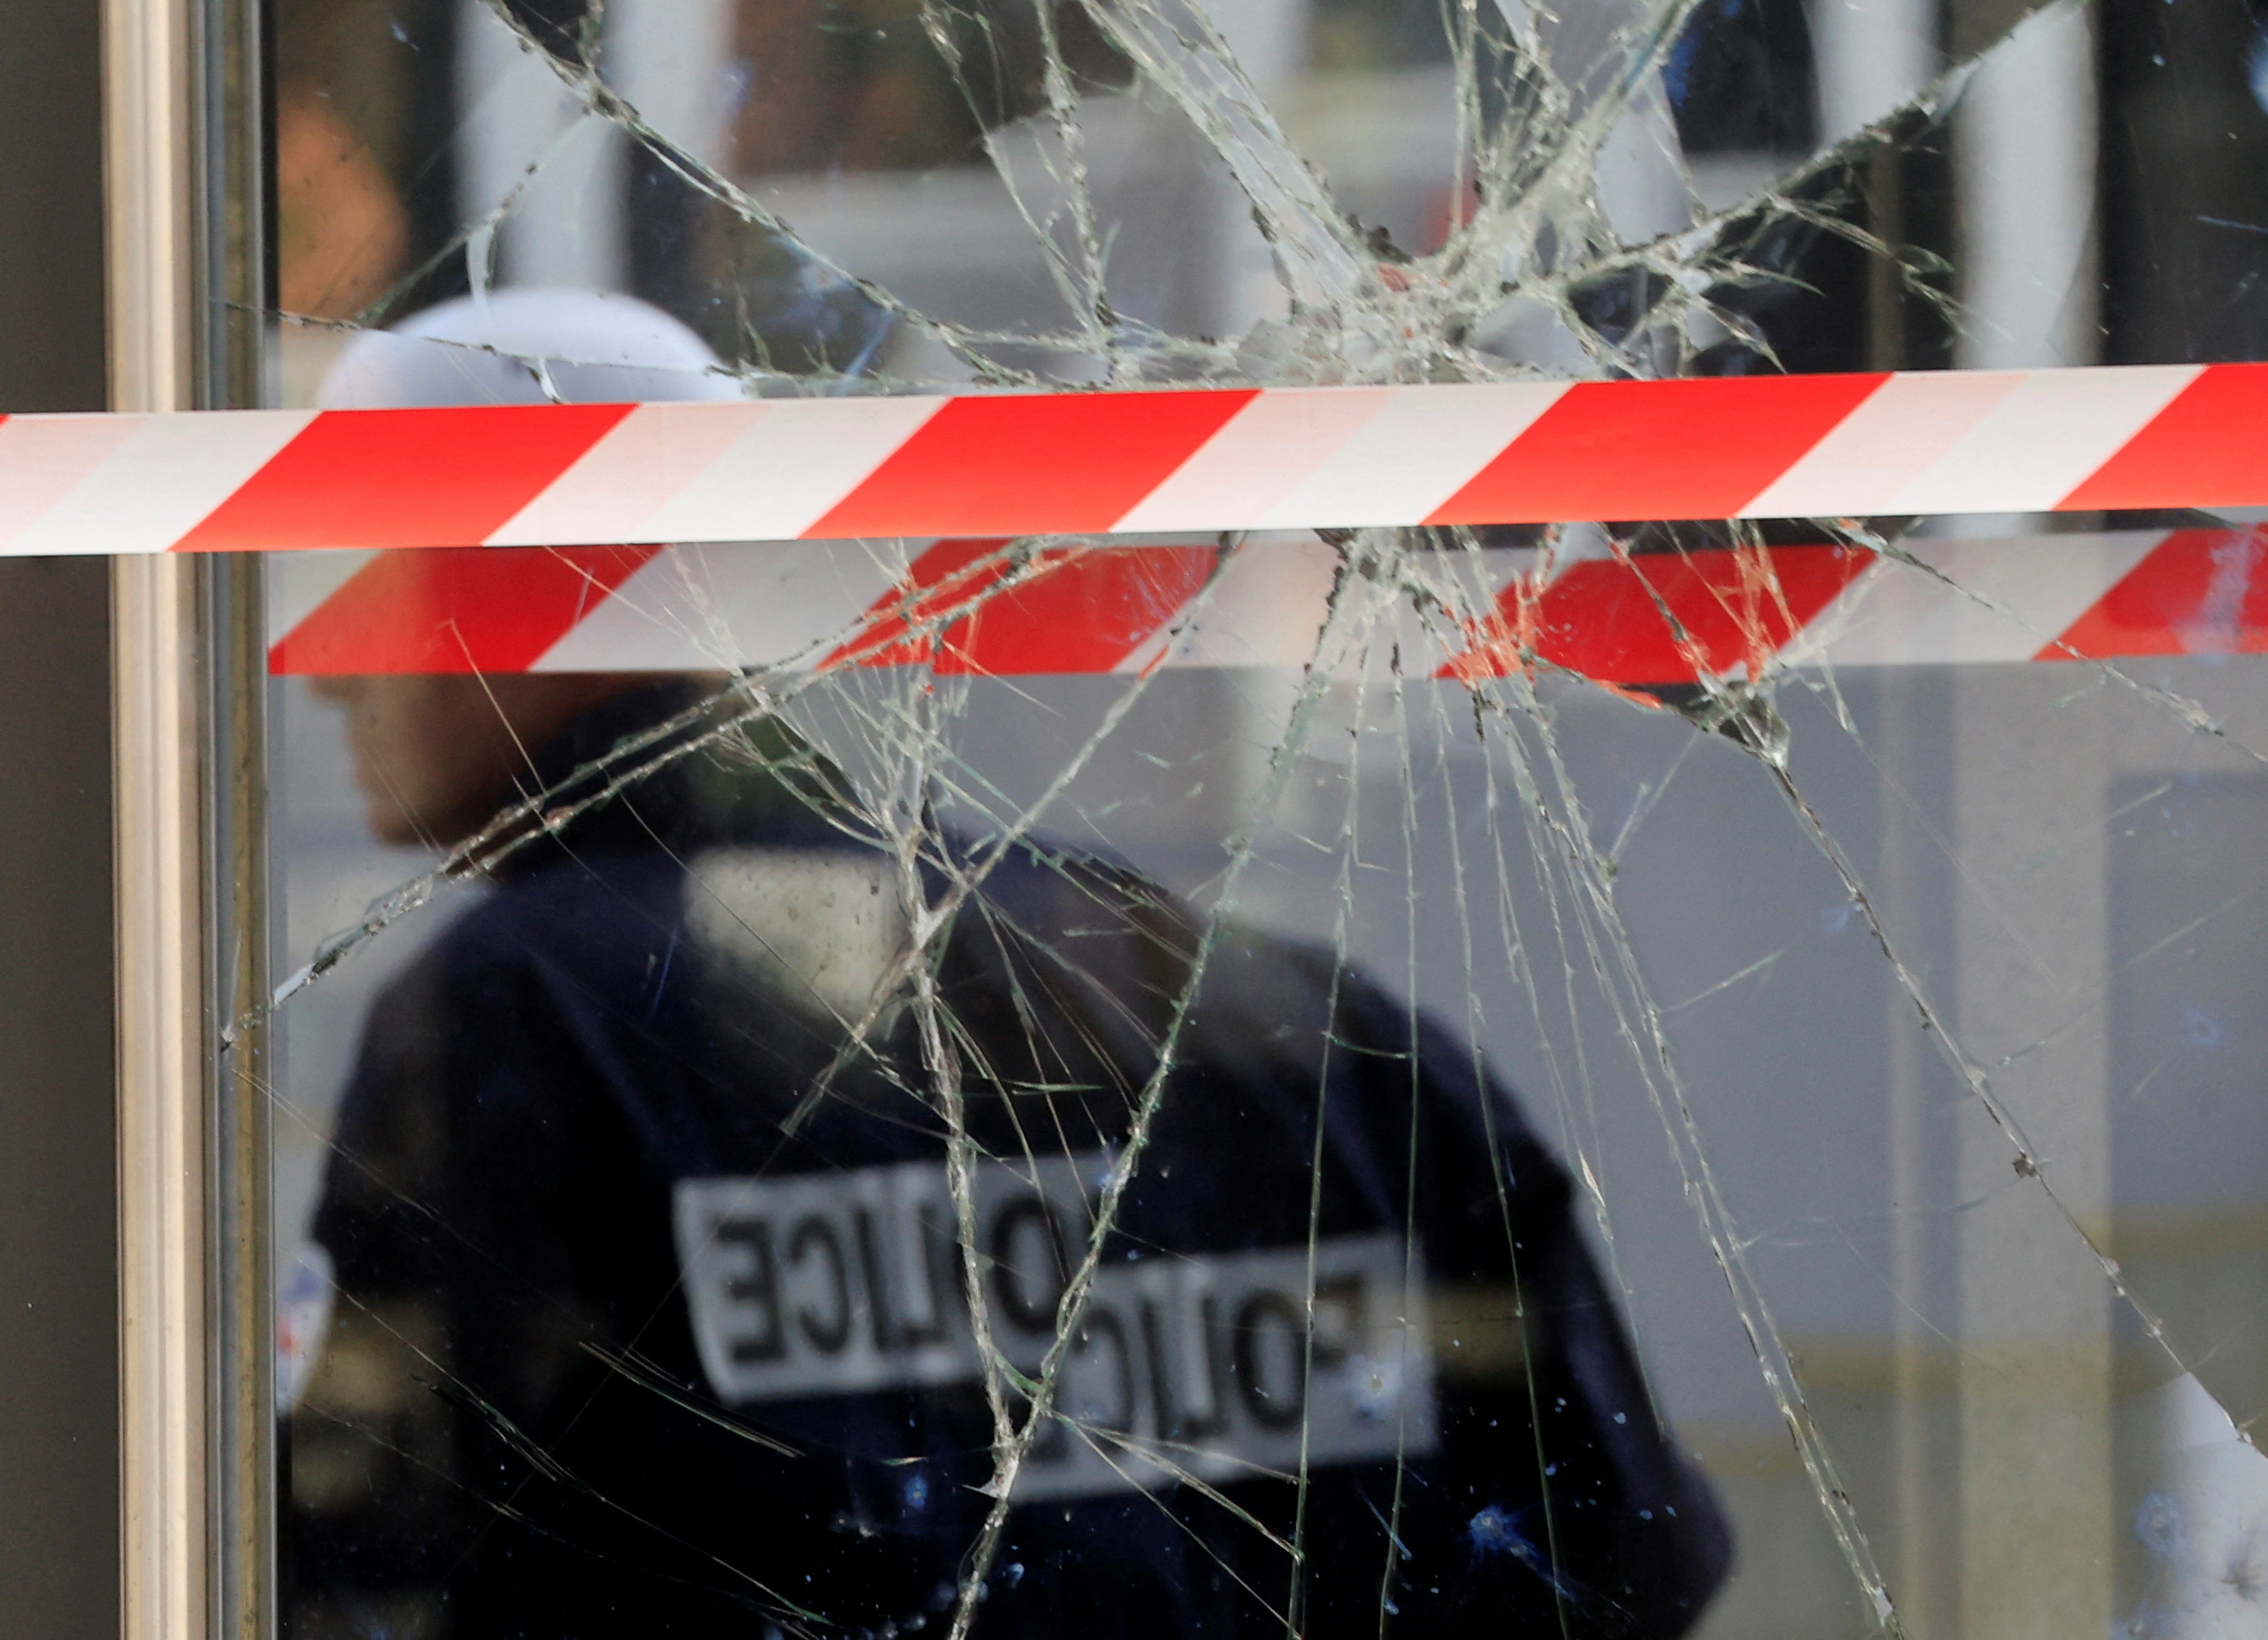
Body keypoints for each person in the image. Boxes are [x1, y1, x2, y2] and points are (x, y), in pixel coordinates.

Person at [282, 292, 1732, 1639]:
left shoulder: (525, 1014)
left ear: (556, 577)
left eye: (376, 566)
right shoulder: (1228, 998)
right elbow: (1621, 1550)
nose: (329, 660)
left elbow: (363, 1555)